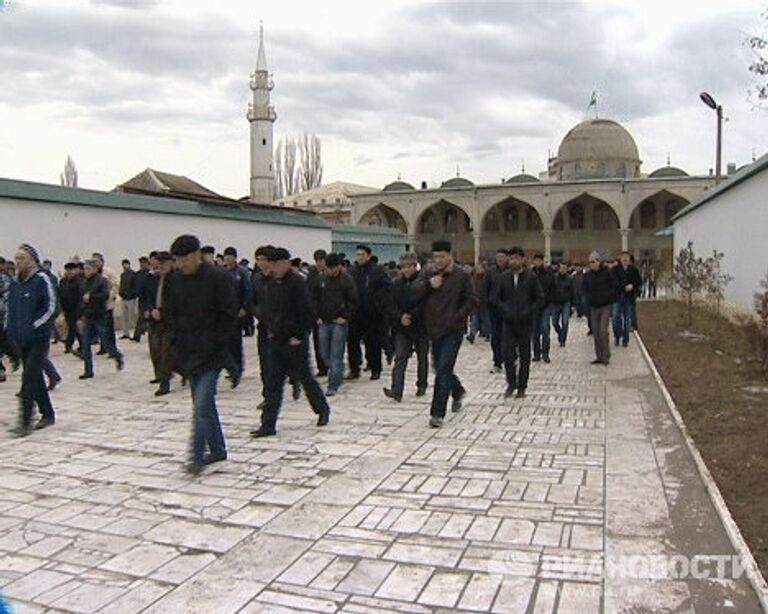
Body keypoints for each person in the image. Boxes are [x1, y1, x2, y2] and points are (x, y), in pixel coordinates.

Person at [167, 234, 236, 474]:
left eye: (185, 259)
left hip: (212, 354)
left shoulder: (219, 278)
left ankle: (195, 456)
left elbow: (229, 317)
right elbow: (172, 315)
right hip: (189, 353)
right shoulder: (175, 280)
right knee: (203, 404)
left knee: (201, 406)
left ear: (197, 254)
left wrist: (215, 342)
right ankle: (217, 449)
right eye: (178, 260)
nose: (181, 265)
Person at [252, 247, 331, 437]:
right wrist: (271, 328)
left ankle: (322, 410)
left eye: (276, 264)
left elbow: (308, 312)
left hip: (295, 341)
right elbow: (268, 309)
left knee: (306, 379)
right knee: (273, 383)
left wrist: (299, 335)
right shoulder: (271, 283)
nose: (273, 268)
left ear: (286, 263)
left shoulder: (297, 283)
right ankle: (268, 424)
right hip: (276, 340)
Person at [413, 240, 477, 428]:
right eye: (435, 257)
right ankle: (457, 391)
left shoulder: (461, 276)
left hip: (453, 330)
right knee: (440, 367)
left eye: (442, 256)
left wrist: (457, 316)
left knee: (443, 369)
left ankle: (437, 413)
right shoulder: (427, 273)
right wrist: (428, 285)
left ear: (450, 255)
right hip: (433, 328)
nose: (438, 260)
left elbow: (472, 300)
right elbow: (414, 292)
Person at [6, 244, 57, 435]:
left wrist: (34, 327)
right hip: (20, 339)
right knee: (35, 377)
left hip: (38, 339)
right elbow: (11, 309)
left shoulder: (41, 280)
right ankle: (48, 414)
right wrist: (10, 330)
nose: (18, 262)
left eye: (22, 258)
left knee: (28, 378)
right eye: (17, 258)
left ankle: (25, 420)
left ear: (33, 260)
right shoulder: (15, 283)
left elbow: (51, 308)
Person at [492, 246, 544, 399]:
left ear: (522, 259)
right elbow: (496, 298)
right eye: (511, 258)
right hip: (508, 322)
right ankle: (511, 383)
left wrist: (529, 311)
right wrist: (504, 310)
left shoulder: (531, 277)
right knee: (507, 355)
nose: (513, 261)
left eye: (516, 258)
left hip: (525, 322)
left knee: (525, 356)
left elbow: (539, 297)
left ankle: (522, 386)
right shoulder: (504, 277)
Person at [310, 252, 359, 397]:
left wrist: (345, 316)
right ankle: (338, 370)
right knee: (324, 353)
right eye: (328, 268)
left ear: (339, 266)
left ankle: (333, 384)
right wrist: (316, 316)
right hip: (323, 321)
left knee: (336, 353)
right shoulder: (320, 279)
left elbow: (354, 300)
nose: (331, 271)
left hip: (339, 322)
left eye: (333, 268)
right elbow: (313, 299)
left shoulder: (346, 280)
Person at [383, 252, 429, 402]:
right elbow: (390, 304)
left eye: (410, 266)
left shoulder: (423, 282)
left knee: (422, 357)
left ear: (415, 266)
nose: (407, 269)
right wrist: (400, 316)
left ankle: (422, 385)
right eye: (404, 267)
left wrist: (411, 315)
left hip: (421, 326)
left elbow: (425, 303)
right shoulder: (396, 283)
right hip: (402, 327)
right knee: (401, 357)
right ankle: (397, 390)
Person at [347, 244, 391, 381]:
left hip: (373, 313)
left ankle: (375, 368)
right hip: (355, 312)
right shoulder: (352, 271)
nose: (359, 257)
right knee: (352, 341)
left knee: (373, 342)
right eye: (358, 255)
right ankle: (354, 368)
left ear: (368, 256)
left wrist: (378, 302)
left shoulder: (377, 270)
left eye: (362, 255)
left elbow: (387, 288)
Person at [78, 259, 124, 379]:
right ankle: (88, 370)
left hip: (99, 315)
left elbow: (105, 295)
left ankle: (117, 355)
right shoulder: (84, 282)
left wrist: (91, 297)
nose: (86, 271)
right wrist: (80, 315)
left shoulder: (101, 281)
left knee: (106, 342)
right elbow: (82, 300)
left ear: (94, 269)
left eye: (88, 269)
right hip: (88, 315)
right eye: (84, 269)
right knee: (85, 343)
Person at [148, 252, 176, 396]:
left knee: (166, 352)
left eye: (164, 263)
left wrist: (163, 312)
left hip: (172, 321)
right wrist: (150, 310)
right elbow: (147, 296)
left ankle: (165, 382)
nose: (161, 266)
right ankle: (163, 375)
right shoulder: (155, 279)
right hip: (157, 320)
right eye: (159, 263)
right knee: (157, 349)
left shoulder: (176, 279)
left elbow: (177, 302)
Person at [222, 246, 251, 382]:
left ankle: (238, 367)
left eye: (230, 256)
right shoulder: (221, 272)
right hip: (225, 313)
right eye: (226, 256)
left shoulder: (242, 272)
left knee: (235, 341)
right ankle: (231, 367)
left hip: (237, 312)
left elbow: (248, 291)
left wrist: (244, 307)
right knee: (226, 341)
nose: (228, 258)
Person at [583, 251, 617, 365]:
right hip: (593, 306)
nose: (591, 264)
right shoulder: (588, 275)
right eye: (589, 262)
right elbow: (585, 289)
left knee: (603, 331)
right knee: (596, 332)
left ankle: (606, 354)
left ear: (599, 261)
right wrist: (587, 301)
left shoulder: (607, 273)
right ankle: (599, 356)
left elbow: (614, 287)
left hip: (605, 305)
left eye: (593, 261)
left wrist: (609, 297)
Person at [485, 248, 509, 372]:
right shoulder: (491, 272)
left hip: (509, 309)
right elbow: (486, 289)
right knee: (496, 336)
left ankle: (511, 357)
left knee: (508, 335)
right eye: (498, 257)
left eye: (502, 257)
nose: (499, 260)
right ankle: (497, 362)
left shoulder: (511, 271)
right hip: (494, 309)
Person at [612, 251, 643, 347]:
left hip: (629, 298)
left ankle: (625, 339)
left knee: (627, 319)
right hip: (617, 297)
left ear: (629, 259)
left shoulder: (633, 270)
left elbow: (639, 281)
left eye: (627, 257)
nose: (625, 259)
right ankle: (617, 336)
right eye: (623, 257)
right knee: (616, 317)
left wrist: (632, 286)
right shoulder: (615, 270)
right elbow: (612, 282)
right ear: (620, 259)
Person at [307, 249, 329, 377]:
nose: (319, 263)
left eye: (321, 260)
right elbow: (310, 295)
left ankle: (330, 364)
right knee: (318, 342)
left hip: (330, 315)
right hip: (315, 315)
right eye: (317, 261)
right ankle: (322, 367)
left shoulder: (331, 274)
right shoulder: (312, 275)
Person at [531, 253, 555, 363]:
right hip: (534, 307)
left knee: (545, 330)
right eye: (536, 261)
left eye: (539, 261)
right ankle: (536, 354)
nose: (537, 263)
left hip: (546, 306)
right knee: (535, 331)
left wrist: (549, 302)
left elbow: (552, 288)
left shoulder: (548, 274)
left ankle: (545, 353)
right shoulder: (530, 274)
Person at [59, 262, 84, 355]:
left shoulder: (79, 281)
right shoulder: (63, 281)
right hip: (67, 309)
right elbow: (60, 294)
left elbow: (81, 296)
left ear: (75, 271)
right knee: (71, 328)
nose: (69, 272)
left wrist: (80, 310)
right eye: (68, 270)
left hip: (76, 308)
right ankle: (72, 345)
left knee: (75, 328)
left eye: (71, 270)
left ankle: (77, 346)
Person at [552, 261, 576, 347]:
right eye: (561, 268)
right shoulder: (554, 278)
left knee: (565, 322)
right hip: (555, 303)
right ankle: (560, 333)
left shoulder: (570, 279)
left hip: (566, 303)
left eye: (564, 268)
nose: (562, 270)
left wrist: (573, 305)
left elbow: (573, 292)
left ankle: (563, 340)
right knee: (554, 322)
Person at [118, 258, 138, 339]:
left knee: (131, 317)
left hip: (131, 298)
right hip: (124, 298)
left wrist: (133, 294)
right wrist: (120, 293)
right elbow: (121, 285)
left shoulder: (133, 274)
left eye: (126, 264)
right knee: (124, 318)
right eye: (123, 264)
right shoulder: (123, 275)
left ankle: (137, 332)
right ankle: (126, 333)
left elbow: (135, 285)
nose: (124, 266)